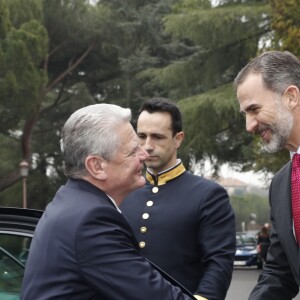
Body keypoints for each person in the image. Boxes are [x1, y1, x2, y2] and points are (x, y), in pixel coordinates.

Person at [20, 103, 196, 300]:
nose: (144, 155)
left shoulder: (72, 202)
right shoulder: (91, 221)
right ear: (97, 166)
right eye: (132, 151)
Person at [120, 98, 236, 300]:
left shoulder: (208, 195)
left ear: (178, 139)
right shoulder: (122, 192)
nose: (147, 146)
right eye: (142, 136)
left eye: (158, 137)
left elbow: (218, 263)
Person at [234, 50, 300, 299]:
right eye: (245, 115)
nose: (249, 126)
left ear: (290, 97)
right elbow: (279, 273)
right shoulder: (281, 184)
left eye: (254, 109)